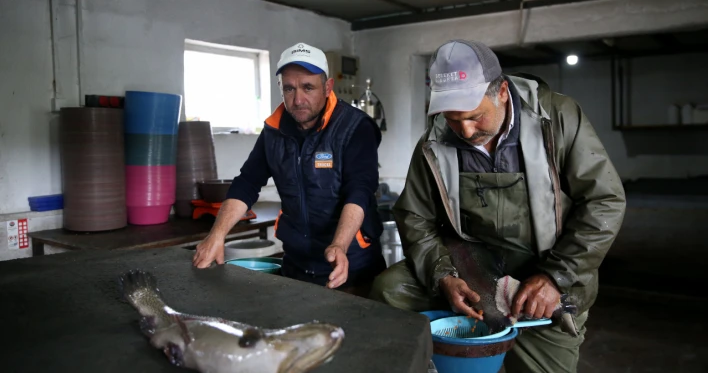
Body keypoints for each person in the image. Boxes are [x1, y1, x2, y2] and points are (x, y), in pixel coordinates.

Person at [370, 40, 626, 372]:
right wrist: (443, 275)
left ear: (502, 92)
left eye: (475, 116)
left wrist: (556, 277)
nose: (465, 130)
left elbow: (604, 201)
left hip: (547, 268)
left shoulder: (556, 118)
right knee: (389, 289)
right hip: (472, 264)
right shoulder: (434, 141)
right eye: (453, 118)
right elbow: (414, 216)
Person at [193, 42, 386, 297]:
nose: (298, 99)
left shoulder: (355, 127)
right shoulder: (274, 131)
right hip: (296, 268)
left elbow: (359, 192)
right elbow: (247, 182)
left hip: (352, 269)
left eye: (308, 87)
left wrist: (339, 245)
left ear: (328, 87)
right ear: (280, 89)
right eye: (289, 88)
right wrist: (216, 236)